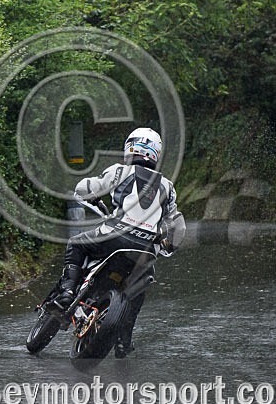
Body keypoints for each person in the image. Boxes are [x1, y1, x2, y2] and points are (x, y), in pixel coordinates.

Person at [49, 127, 185, 357]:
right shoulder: (168, 188)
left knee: (77, 244)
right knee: (137, 291)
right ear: (155, 153)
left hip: (114, 237)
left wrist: (89, 193)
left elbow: (85, 189)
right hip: (146, 252)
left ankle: (67, 292)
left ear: (131, 147)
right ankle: (124, 342)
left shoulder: (121, 171)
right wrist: (165, 246)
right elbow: (178, 226)